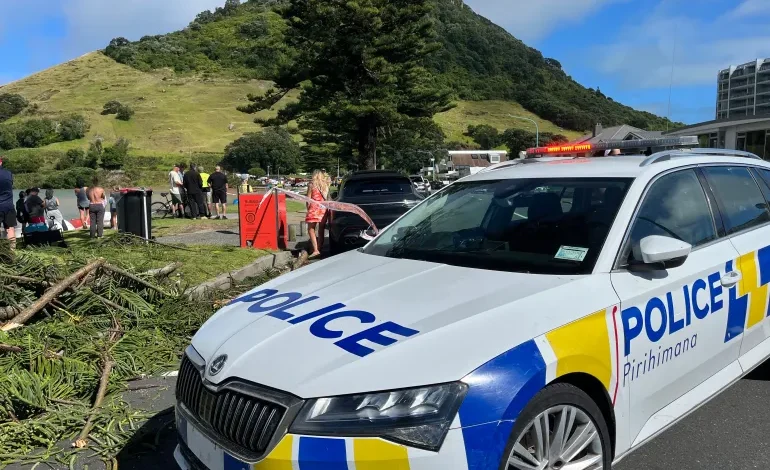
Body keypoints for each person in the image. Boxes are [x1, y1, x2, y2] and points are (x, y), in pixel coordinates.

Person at [305, 169, 330, 258]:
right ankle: (320, 248)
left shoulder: (311, 185)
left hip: (314, 209)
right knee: (321, 229)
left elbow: (308, 199)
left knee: (311, 229)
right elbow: (326, 197)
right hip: (323, 208)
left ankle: (315, 250)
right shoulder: (326, 185)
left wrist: (308, 209)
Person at [0, 157, 16, 249]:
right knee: (10, 228)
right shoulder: (8, 173)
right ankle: (12, 250)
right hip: (9, 206)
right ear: (1, 163)